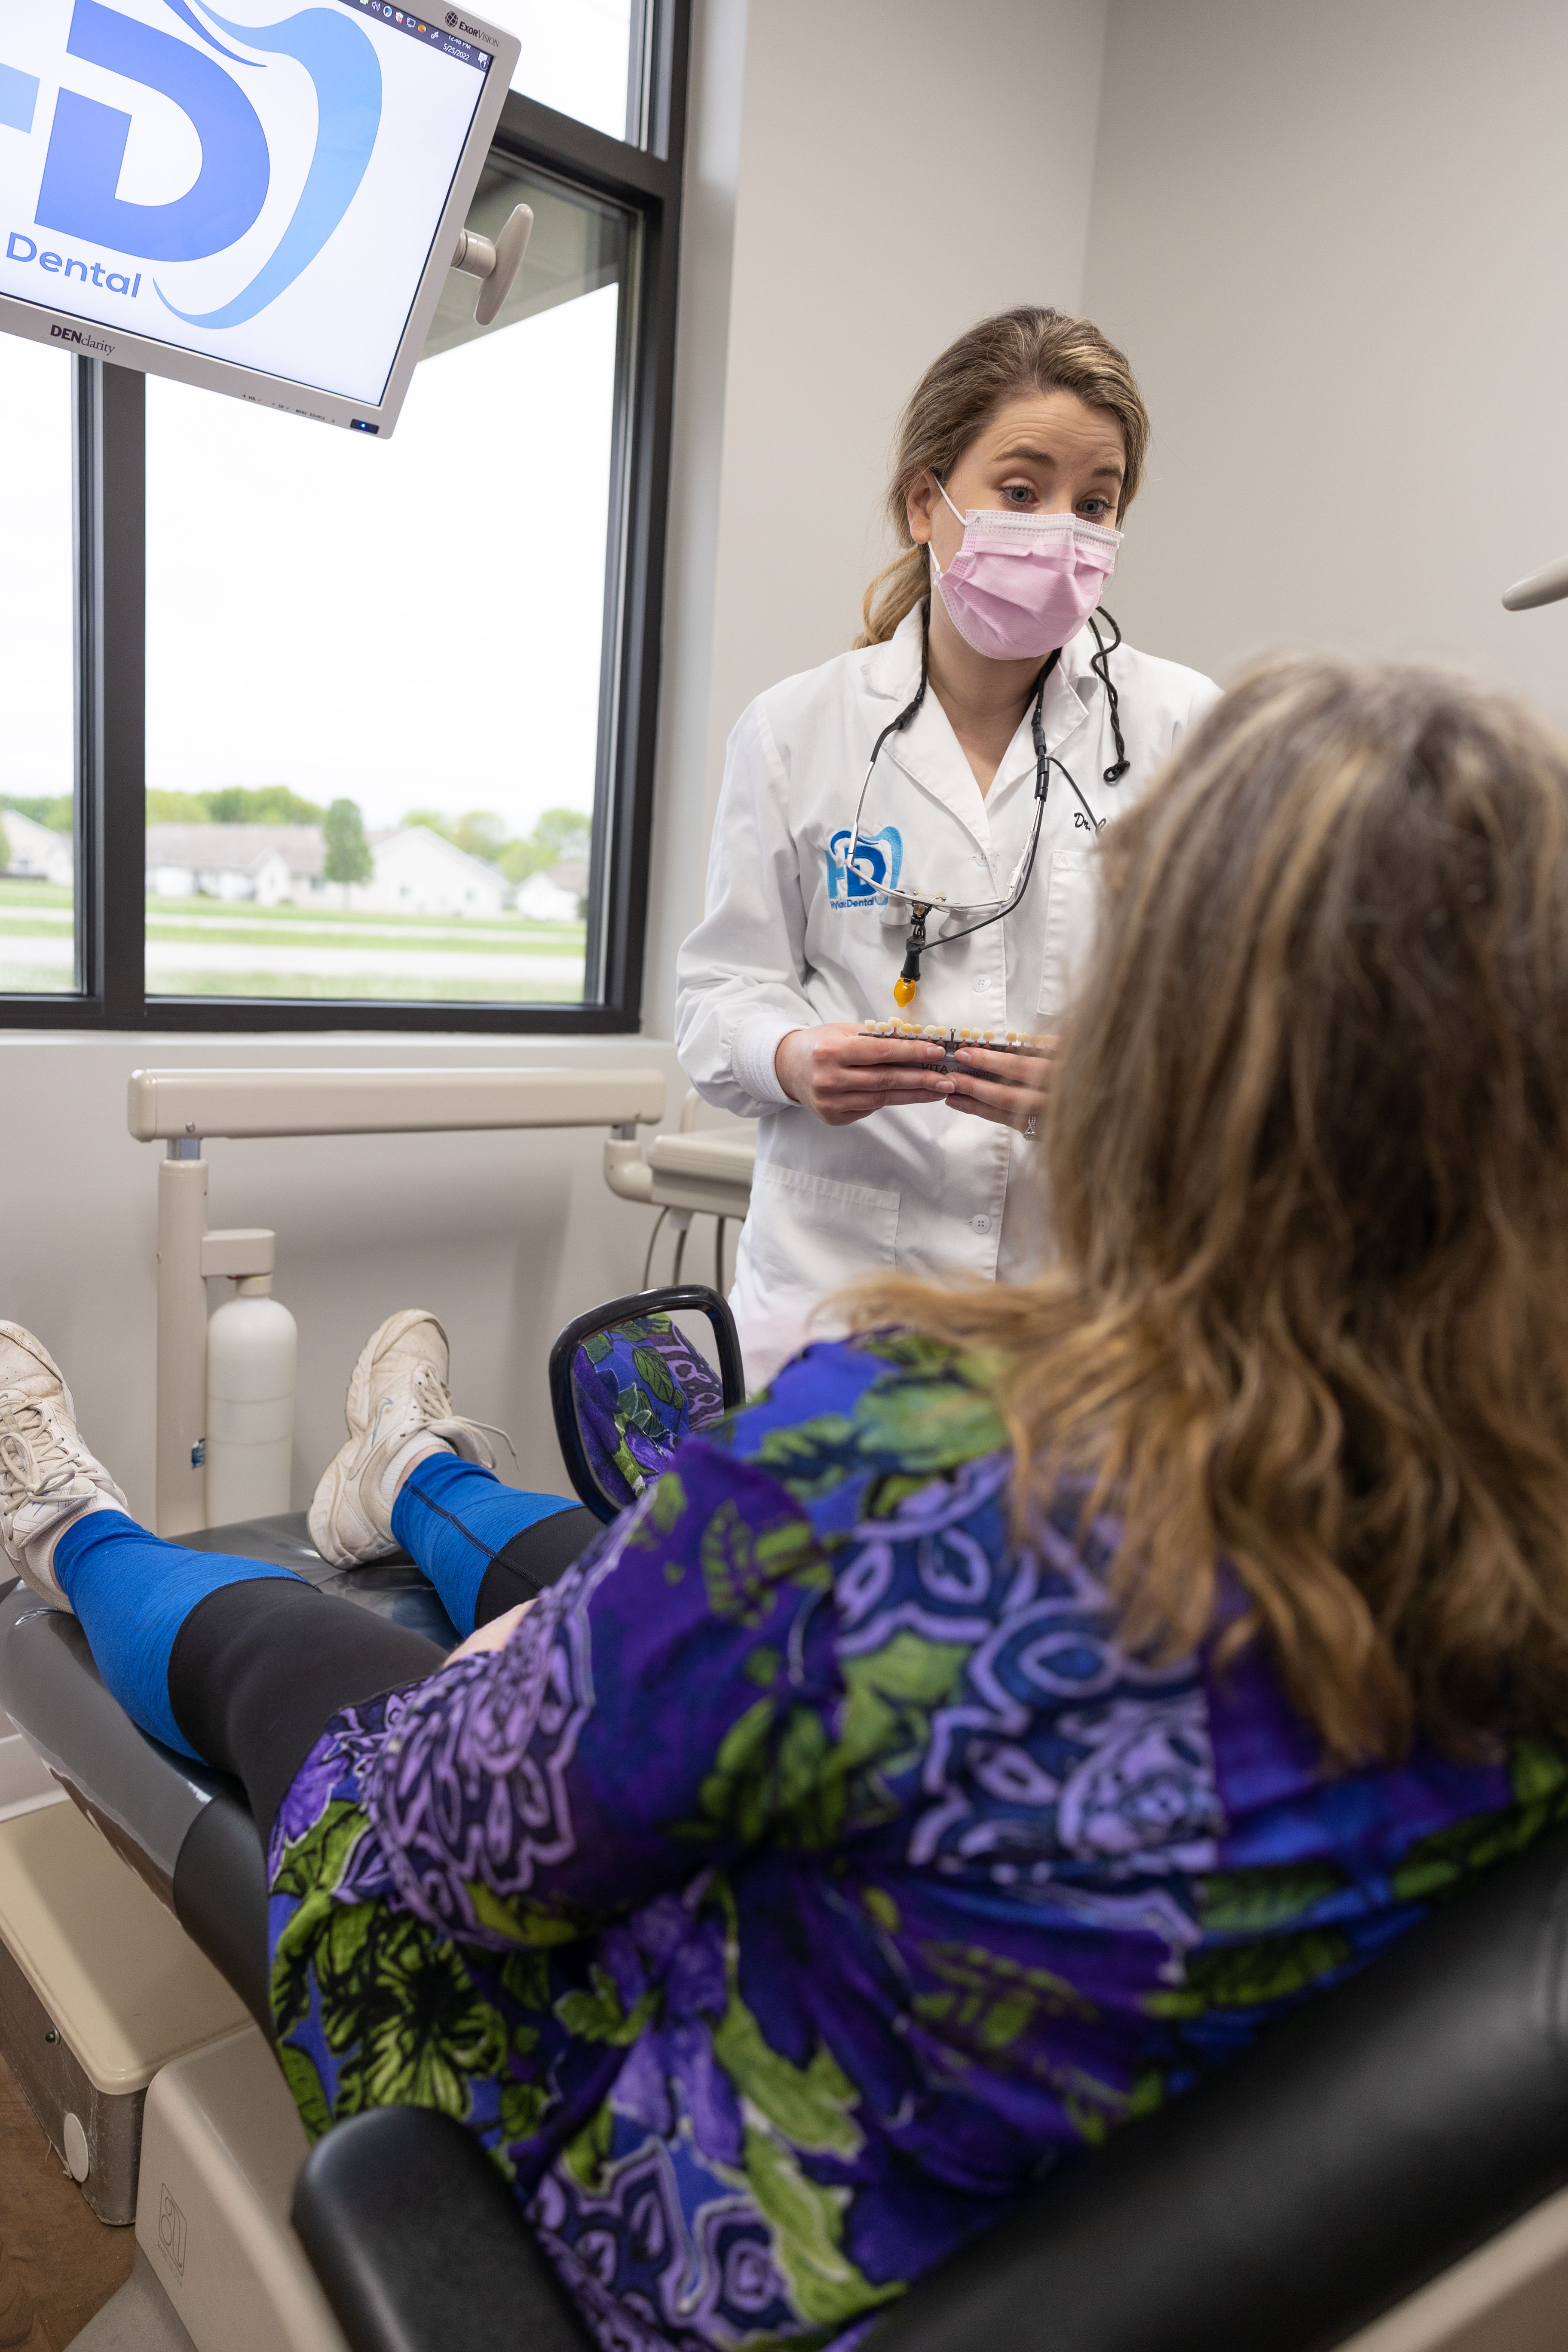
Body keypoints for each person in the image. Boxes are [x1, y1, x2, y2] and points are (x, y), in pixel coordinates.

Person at [7, 652, 1568, 2352]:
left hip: (662, 2206)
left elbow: (450, 1853)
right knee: (655, 1586)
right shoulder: (1520, 1540)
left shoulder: (912, 1461)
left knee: (309, 1668)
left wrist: (508, 1673)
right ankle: (417, 1470)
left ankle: (65, 1522)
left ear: (1164, 1051)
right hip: (1037, 2141)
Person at [676, 305, 1221, 1385]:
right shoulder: (798, 730)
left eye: (1095, 502)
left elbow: (1241, 1026)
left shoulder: (1182, 729)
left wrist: (1120, 1087)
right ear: (927, 502)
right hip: (837, 1310)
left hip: (1082, 1314)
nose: (1061, 527)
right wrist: (792, 1058)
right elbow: (717, 995)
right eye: (1021, 492)